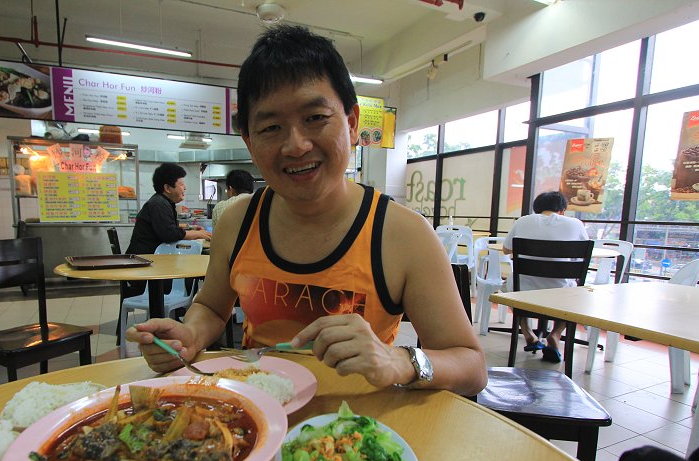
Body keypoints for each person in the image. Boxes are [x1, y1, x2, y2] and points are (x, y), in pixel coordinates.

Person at [127, 25, 486, 395]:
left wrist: (399, 361)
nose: (296, 145)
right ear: (250, 143)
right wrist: (189, 335)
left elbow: (471, 365)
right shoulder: (238, 221)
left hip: (358, 430)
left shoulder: (403, 234)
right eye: (271, 127)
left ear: (351, 123)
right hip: (257, 415)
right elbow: (214, 309)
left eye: (315, 118)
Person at [502, 190, 588, 362]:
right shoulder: (576, 224)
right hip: (560, 293)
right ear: (563, 210)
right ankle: (555, 335)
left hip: (524, 291)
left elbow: (506, 249)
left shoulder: (523, 221)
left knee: (513, 287)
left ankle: (528, 333)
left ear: (537, 208)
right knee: (575, 293)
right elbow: (583, 255)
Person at [125, 162, 212, 294]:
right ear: (167, 188)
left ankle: (178, 309)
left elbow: (169, 226)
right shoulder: (158, 204)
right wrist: (198, 234)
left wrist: (190, 228)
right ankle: (178, 309)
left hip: (151, 263)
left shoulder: (162, 202)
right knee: (188, 277)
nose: (185, 188)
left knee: (188, 274)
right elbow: (170, 234)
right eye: (182, 184)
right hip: (145, 267)